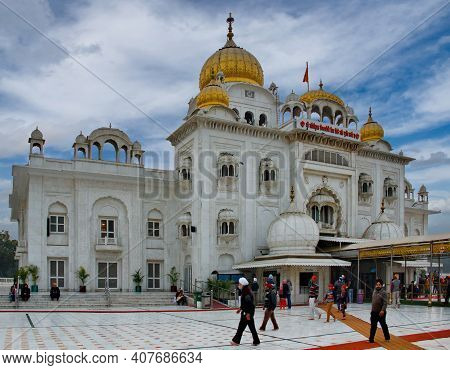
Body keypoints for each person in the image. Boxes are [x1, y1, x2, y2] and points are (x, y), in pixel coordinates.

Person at [231, 277, 260, 346]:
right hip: (247, 313)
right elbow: (245, 304)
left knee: (240, 328)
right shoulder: (245, 291)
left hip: (246, 314)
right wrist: (240, 309)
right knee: (252, 328)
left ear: (243, 284)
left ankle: (236, 341)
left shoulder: (247, 294)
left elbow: (251, 305)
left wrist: (248, 314)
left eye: (239, 284)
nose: (238, 285)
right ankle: (256, 341)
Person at [369, 278, 390, 343]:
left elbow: (385, 302)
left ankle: (387, 338)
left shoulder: (384, 293)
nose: (378, 286)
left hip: (381, 313)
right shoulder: (374, 291)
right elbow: (373, 302)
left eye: (379, 285)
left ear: (381, 285)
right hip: (374, 312)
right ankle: (371, 339)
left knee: (383, 325)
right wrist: (372, 311)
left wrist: (383, 310)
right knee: (373, 326)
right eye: (377, 284)